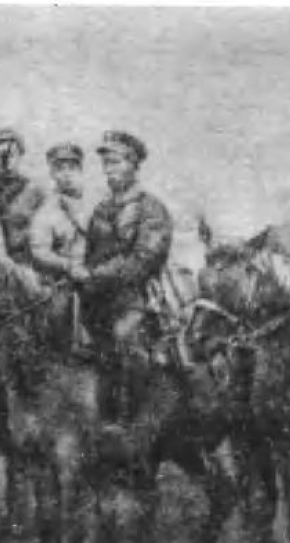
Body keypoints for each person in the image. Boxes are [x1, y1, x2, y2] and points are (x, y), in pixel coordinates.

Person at [73, 130, 173, 426]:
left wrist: (95, 274)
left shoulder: (151, 208)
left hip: (135, 299)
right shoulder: (102, 209)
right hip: (96, 299)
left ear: (133, 164)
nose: (108, 170)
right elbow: (91, 253)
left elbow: (144, 260)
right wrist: (79, 270)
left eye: (115, 163)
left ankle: (134, 423)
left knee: (125, 341)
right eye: (105, 164)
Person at [29, 142, 90, 352]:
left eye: (72, 168)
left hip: (98, 272)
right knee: (57, 317)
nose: (66, 174)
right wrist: (68, 265)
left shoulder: (96, 203)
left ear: (80, 170)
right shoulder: (47, 212)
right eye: (60, 169)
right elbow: (39, 250)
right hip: (65, 280)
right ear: (52, 173)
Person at [0, 127, 46, 265]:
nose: (5, 160)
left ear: (20, 156)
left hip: (26, 263)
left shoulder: (35, 192)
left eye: (12, 154)